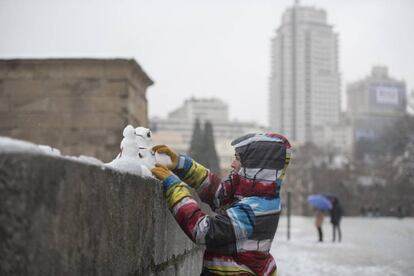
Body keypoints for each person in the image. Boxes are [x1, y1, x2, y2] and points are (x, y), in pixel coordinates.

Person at [151, 133, 292, 276]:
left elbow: (203, 230)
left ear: (254, 166)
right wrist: (182, 165)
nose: (232, 164)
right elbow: (219, 193)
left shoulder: (254, 209)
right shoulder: (255, 193)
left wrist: (175, 189)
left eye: (237, 158)